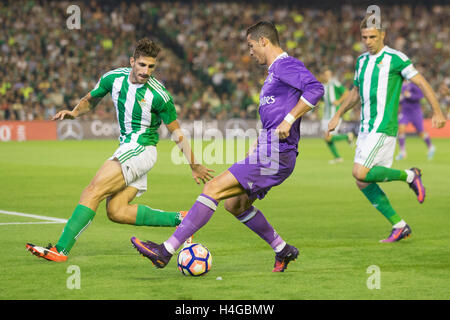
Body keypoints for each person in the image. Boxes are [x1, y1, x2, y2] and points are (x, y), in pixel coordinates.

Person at [130, 21, 324, 272]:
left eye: (251, 45)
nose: (250, 51)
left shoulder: (285, 65)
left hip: (277, 153)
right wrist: (259, 142)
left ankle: (164, 251)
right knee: (236, 204)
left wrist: (290, 119)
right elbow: (275, 116)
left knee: (213, 187)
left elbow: (316, 88)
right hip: (270, 151)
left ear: (263, 41)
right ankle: (282, 249)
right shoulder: (274, 74)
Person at [26, 38, 214, 262]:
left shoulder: (160, 96)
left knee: (92, 191)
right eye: (142, 65)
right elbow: (90, 99)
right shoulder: (113, 78)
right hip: (129, 148)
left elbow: (177, 132)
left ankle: (60, 250)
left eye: (151, 67)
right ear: (132, 61)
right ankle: (183, 219)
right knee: (117, 211)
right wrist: (74, 113)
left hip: (141, 148)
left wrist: (194, 164)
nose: (146, 71)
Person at [328, 15, 446, 242]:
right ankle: (399, 225)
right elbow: (355, 92)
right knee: (362, 181)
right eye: (364, 37)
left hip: (384, 126)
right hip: (365, 127)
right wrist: (338, 115)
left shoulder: (396, 58)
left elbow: (422, 82)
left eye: (372, 36)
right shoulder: (361, 61)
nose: (368, 41)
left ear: (383, 35)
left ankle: (411, 175)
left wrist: (437, 111)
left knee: (359, 172)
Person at [320, 68, 354, 164]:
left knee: (328, 137)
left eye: (329, 74)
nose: (327, 76)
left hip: (334, 114)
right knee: (326, 138)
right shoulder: (323, 86)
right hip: (326, 115)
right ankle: (337, 157)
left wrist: (339, 101)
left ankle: (347, 136)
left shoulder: (334, 83)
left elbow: (346, 92)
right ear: (323, 76)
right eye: (326, 75)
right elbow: (323, 99)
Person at [396, 80, 435, 160]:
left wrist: (410, 95)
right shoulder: (401, 85)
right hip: (405, 111)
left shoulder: (414, 84)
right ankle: (402, 152)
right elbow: (402, 99)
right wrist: (400, 99)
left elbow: (420, 96)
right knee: (401, 130)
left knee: (420, 132)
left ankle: (430, 147)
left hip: (415, 112)